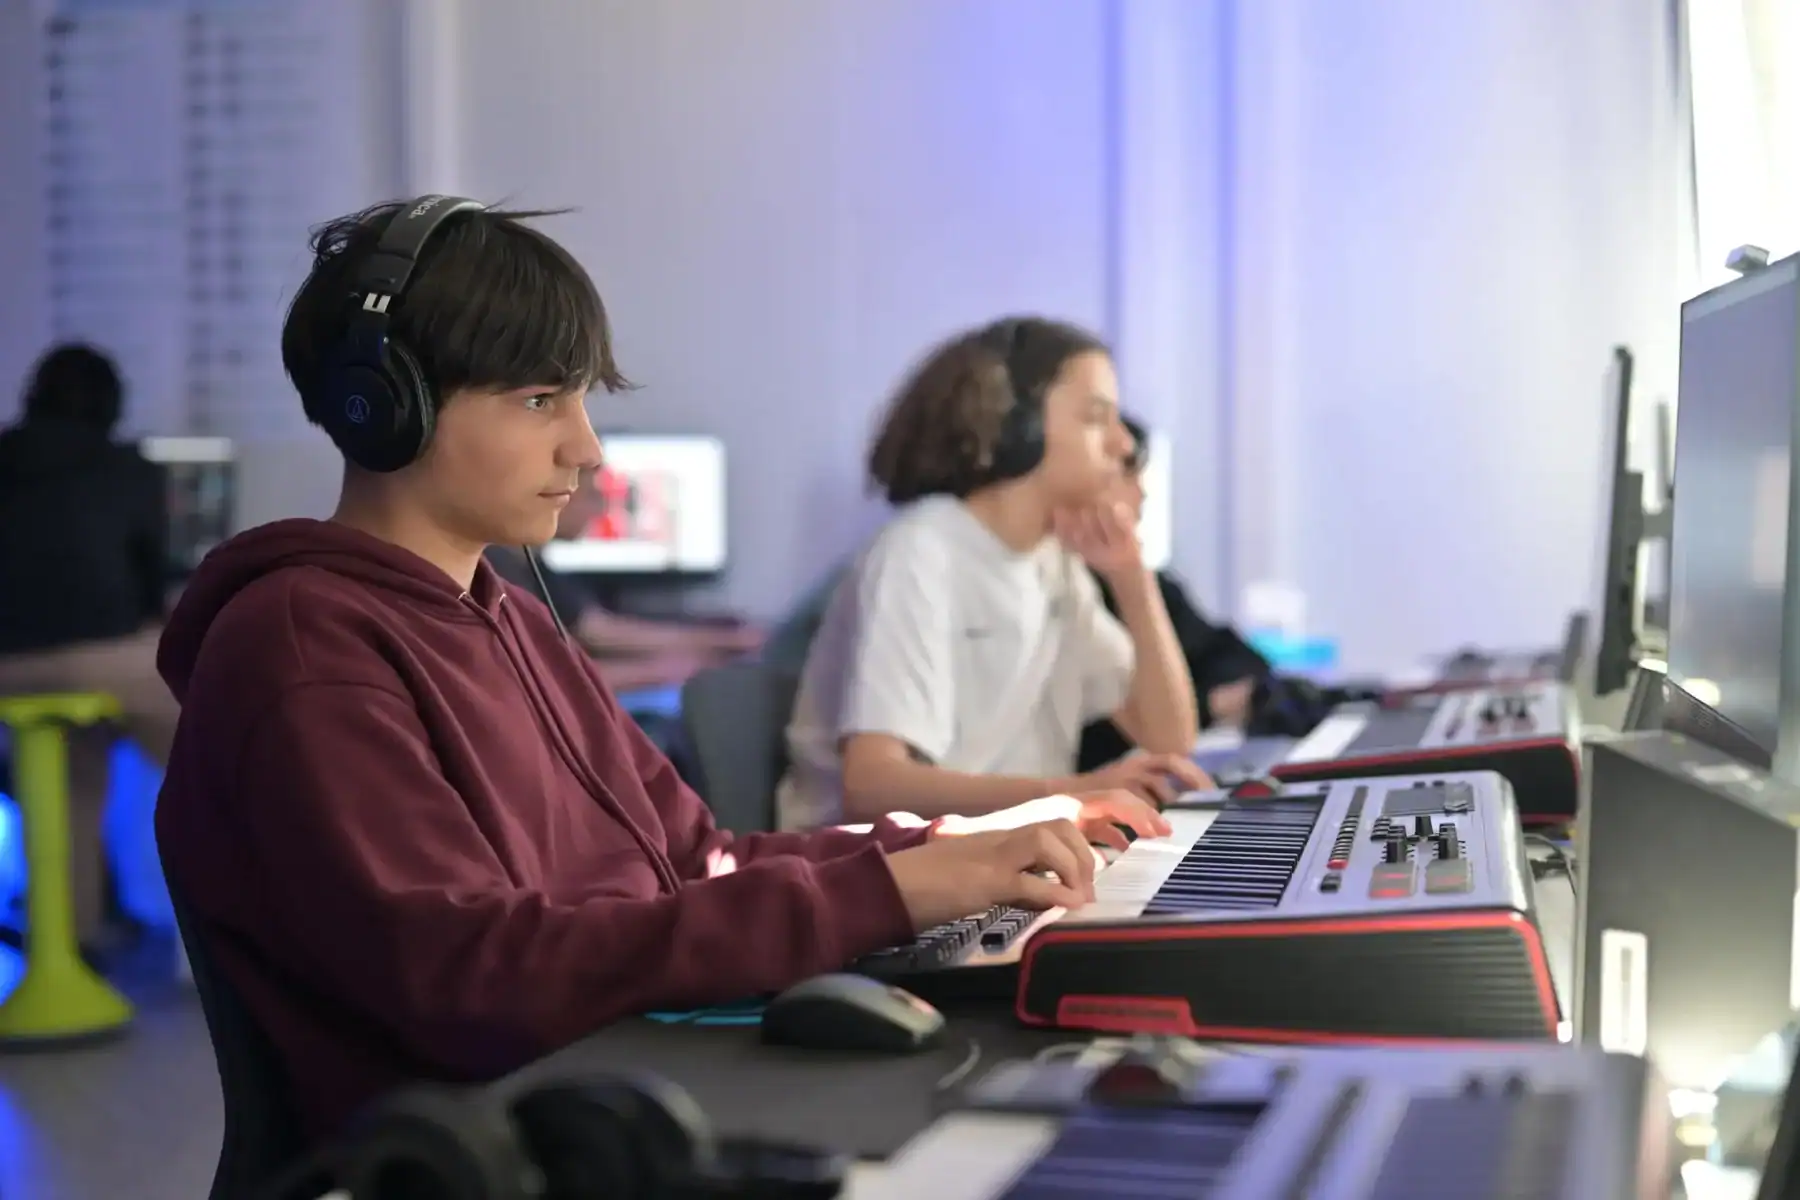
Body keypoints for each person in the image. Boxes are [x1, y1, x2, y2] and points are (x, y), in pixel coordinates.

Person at [152, 200, 1168, 1148]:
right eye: (540, 398)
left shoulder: (515, 626)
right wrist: (889, 895)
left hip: (607, 1072)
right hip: (481, 1141)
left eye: (581, 400)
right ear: (386, 407)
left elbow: (702, 860)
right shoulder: (305, 647)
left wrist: (949, 850)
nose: (587, 448)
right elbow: (467, 978)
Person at [776, 317, 1210, 832]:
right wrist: (1072, 794)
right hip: (875, 878)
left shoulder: (1054, 564)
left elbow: (1169, 741)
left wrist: (1130, 576)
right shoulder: (920, 552)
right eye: (1096, 419)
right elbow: (872, 788)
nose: (1122, 444)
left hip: (998, 860)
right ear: (1016, 428)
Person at [0, 343, 176, 949]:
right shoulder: (126, 467)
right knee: (217, 751)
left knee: (75, 771)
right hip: (100, 655)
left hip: (5, 667)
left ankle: (70, 943)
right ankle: (253, 916)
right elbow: (152, 588)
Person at [1078, 416, 1273, 770]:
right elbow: (1109, 736)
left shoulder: (1152, 583)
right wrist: (1212, 703)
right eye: (1128, 472)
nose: (1143, 492)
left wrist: (1132, 574)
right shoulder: (1075, 585)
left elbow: (1236, 657)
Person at [484, 469, 760, 692]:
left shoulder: (531, 564)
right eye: (592, 494)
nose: (601, 508)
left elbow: (599, 631)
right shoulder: (499, 569)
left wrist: (720, 644)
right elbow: (550, 679)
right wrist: (666, 669)